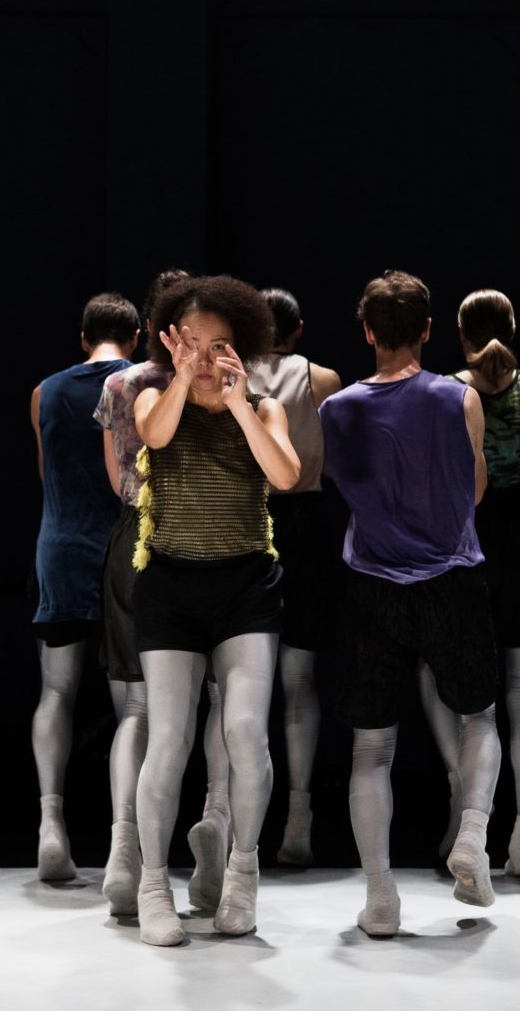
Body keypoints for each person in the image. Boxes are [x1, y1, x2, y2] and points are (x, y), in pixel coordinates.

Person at [318, 270, 502, 936]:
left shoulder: (337, 408)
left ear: (368, 332)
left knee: (371, 749)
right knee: (478, 718)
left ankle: (380, 898)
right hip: (451, 580)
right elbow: (473, 491)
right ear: (427, 328)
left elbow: (339, 484)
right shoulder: (459, 398)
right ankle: (472, 835)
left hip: (372, 586)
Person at [131, 274, 300, 946]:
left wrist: (237, 405)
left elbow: (285, 475)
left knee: (245, 732)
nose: (203, 359)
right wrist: (180, 380)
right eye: (190, 344)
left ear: (242, 348)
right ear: (169, 344)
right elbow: (155, 436)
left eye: (218, 346)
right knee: (168, 739)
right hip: (169, 586)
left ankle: (242, 873)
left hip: (245, 587)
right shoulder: (154, 395)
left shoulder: (263, 407)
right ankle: (152, 886)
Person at [188, 287, 342, 873]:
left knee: (229, 688)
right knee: (298, 681)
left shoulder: (228, 375)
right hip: (303, 525)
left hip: (248, 520)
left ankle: (222, 811)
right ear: (298, 329)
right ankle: (297, 814)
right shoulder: (321, 379)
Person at [418, 288, 520, 878]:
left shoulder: (446, 393)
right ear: (513, 327)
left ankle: (464, 798)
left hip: (468, 547)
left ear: (460, 335)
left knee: (452, 687)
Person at [30, 292, 140, 880]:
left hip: (60, 548)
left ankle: (51, 822)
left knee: (56, 692)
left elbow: (46, 473)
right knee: (133, 705)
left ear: (82, 337)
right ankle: (127, 836)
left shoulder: (44, 391)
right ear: (138, 336)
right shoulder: (141, 385)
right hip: (125, 552)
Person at [92, 268, 191, 915]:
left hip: (136, 536)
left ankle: (123, 849)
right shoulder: (209, 381)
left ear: (149, 325)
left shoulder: (120, 385)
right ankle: (216, 844)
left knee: (136, 709)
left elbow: (116, 480)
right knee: (208, 708)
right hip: (199, 542)